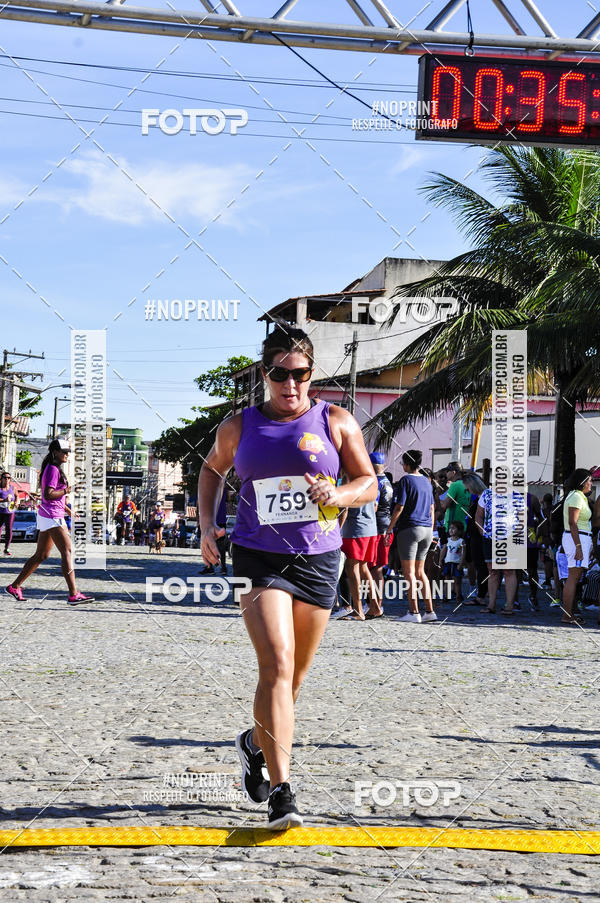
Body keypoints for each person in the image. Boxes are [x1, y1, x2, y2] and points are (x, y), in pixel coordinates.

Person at [198, 325, 377, 829]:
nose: (290, 384)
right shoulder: (239, 426)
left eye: (299, 374)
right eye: (280, 374)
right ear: (265, 374)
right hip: (258, 556)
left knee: (292, 681)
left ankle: (254, 744)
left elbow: (368, 481)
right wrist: (208, 523)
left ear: (311, 374)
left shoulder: (336, 421)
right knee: (276, 664)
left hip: (319, 559)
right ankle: (283, 792)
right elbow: (211, 471)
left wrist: (340, 494)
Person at [5, 438, 95, 605]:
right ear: (55, 452)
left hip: (51, 514)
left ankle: (14, 586)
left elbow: (54, 497)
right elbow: (48, 494)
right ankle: (73, 594)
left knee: (41, 555)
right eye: (64, 452)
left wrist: (68, 510)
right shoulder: (53, 469)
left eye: (68, 452)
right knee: (67, 551)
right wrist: (69, 489)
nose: (67, 455)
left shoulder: (54, 468)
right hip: (52, 516)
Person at [386, 450, 436, 623]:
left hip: (410, 528)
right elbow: (432, 508)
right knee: (421, 572)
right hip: (427, 529)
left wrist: (390, 528)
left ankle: (414, 612)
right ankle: (429, 611)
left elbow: (399, 507)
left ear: (407, 464)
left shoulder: (406, 480)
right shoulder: (427, 482)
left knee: (409, 573)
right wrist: (431, 527)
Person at [475, 486, 518, 615]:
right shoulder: (486, 494)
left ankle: (509, 606)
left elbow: (522, 517)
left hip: (509, 538)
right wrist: (483, 532)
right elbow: (478, 516)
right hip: (490, 538)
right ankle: (491, 605)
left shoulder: (516, 495)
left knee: (509, 570)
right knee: (492, 571)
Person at [561, 468, 593, 625]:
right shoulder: (576, 497)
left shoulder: (578, 496)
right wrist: (579, 547)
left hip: (578, 538)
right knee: (573, 578)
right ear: (583, 482)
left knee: (574, 577)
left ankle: (569, 613)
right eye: (590, 481)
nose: (591, 484)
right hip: (576, 539)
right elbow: (572, 523)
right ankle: (567, 615)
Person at [340, 494, 380, 621]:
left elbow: (344, 508)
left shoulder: (349, 482)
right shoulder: (370, 483)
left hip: (355, 528)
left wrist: (338, 529)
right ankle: (375, 606)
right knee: (363, 567)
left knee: (351, 568)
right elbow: (375, 506)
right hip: (370, 527)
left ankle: (358, 610)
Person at [367, 452, 393, 616]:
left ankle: (375, 604)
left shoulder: (375, 482)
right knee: (377, 568)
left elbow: (373, 507)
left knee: (374, 568)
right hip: (386, 526)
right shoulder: (387, 481)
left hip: (376, 527)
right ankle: (377, 603)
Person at [462, 473, 489, 605]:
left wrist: (483, 534)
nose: (467, 491)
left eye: (467, 488)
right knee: (479, 566)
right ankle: (481, 594)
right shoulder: (478, 498)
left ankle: (481, 595)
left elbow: (481, 518)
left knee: (481, 566)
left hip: (479, 537)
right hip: (474, 535)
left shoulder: (483, 498)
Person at [200, 489, 228, 575]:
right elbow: (228, 499)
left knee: (208, 544)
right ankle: (223, 568)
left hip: (212, 520)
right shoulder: (224, 488)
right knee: (221, 546)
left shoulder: (211, 485)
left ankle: (210, 567)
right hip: (222, 519)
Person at [440, 521, 466, 603]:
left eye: (453, 528)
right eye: (450, 528)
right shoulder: (448, 540)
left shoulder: (461, 541)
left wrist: (461, 564)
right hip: (448, 563)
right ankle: (446, 596)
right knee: (447, 580)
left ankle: (458, 596)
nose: (451, 530)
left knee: (457, 581)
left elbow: (463, 553)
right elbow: (443, 550)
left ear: (459, 531)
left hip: (456, 563)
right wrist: (440, 560)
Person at [0, 471, 17, 556]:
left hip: (10, 511)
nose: (7, 479)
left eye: (9, 478)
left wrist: (16, 502)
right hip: (0, 512)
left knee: (9, 530)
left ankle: (6, 548)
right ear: (1, 479)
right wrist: (4, 500)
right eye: (5, 478)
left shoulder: (13, 488)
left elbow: (17, 496)